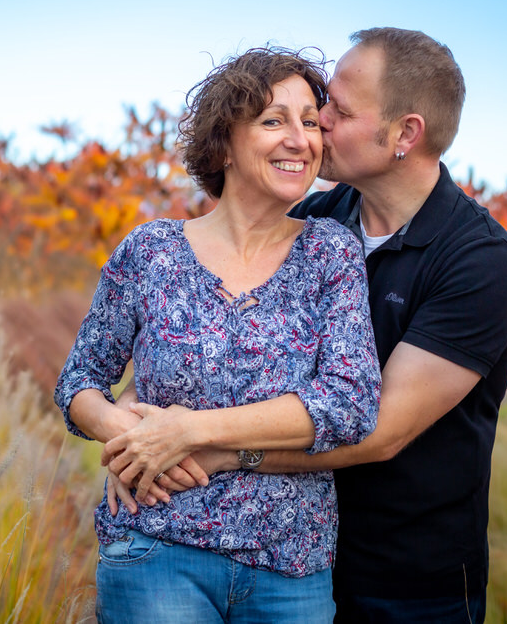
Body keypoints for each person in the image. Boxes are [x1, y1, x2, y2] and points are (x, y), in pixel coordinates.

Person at [110, 28, 507, 624]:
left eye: (338, 109)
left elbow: (378, 432)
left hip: (409, 582)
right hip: (293, 558)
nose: (318, 122)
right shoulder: (316, 222)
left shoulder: (477, 261)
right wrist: (138, 434)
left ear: (406, 134)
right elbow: (210, 339)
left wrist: (209, 448)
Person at [54, 47, 381, 623]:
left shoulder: (331, 252)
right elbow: (80, 381)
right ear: (224, 142)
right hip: (156, 547)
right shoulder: (151, 250)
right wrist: (124, 435)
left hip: (291, 563)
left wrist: (188, 432)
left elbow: (350, 403)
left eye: (310, 122)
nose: (300, 139)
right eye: (274, 120)